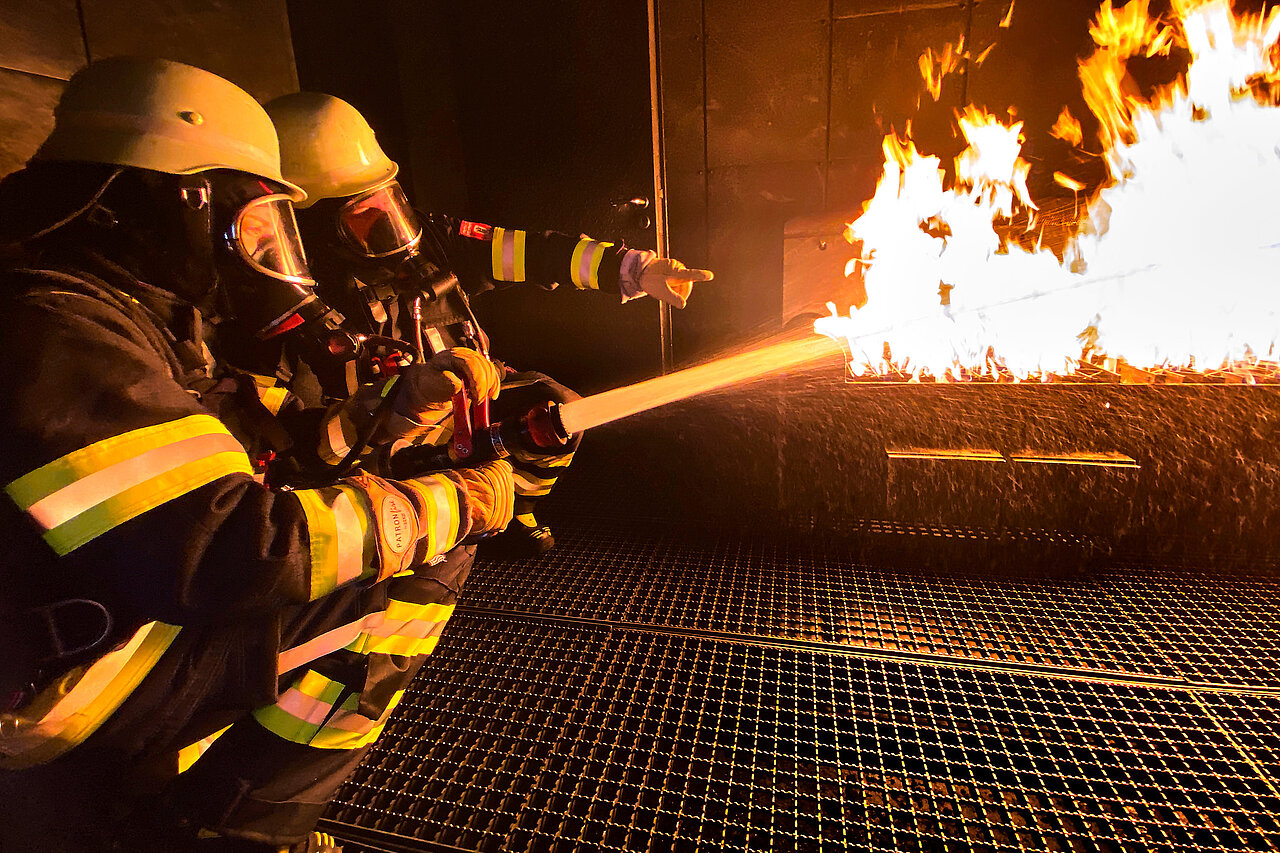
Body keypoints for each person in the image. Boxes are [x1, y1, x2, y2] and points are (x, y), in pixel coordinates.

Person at [0, 57, 514, 853]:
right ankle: (234, 828)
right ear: (186, 200)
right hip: (50, 691)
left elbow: (239, 454)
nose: (264, 253)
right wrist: (448, 504)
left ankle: (184, 781)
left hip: (81, 629)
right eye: (257, 226)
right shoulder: (55, 334)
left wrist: (386, 410)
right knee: (410, 574)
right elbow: (235, 547)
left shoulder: (102, 311)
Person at [263, 91, 714, 556]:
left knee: (558, 412)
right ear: (313, 227)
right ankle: (437, 523)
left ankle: (517, 506)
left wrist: (633, 268)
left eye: (387, 200)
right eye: (361, 211)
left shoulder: (431, 237)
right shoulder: (294, 294)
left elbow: (530, 252)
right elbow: (305, 434)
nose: (385, 222)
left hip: (475, 391)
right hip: (384, 426)